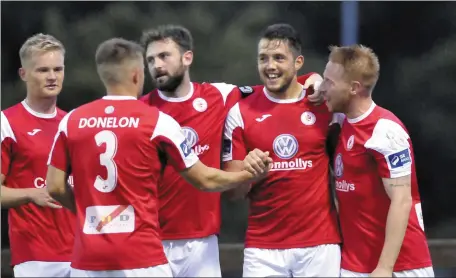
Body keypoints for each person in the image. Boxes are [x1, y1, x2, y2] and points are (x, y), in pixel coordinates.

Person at [45, 37, 272, 278]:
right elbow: (205, 180)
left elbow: (55, 187)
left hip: (87, 257)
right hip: (142, 254)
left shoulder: (72, 121)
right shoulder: (156, 120)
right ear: (136, 74)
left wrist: (90, 214)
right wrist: (249, 174)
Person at [139, 24, 324, 277]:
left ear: (187, 57)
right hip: (148, 239)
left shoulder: (219, 95)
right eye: (150, 59)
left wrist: (310, 78)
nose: (157, 65)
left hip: (202, 243)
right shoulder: (140, 111)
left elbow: (274, 90)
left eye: (164, 56)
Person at [222, 23, 343, 277]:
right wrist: (248, 172)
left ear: (298, 62)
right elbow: (233, 193)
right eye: (263, 58)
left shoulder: (324, 105)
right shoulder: (240, 112)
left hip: (320, 246)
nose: (270, 66)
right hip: (263, 249)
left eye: (279, 58)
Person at [319, 44, 434, 277]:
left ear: (354, 88)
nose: (322, 88)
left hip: (400, 267)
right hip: (354, 265)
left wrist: (384, 268)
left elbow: (402, 201)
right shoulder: (341, 123)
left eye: (329, 82)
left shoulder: (386, 131)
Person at [1, 33, 75, 277]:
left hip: (82, 253)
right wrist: (32, 194)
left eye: (58, 69)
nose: (52, 77)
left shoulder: (73, 123)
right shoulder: (7, 123)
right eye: (43, 70)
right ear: (24, 74)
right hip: (36, 258)